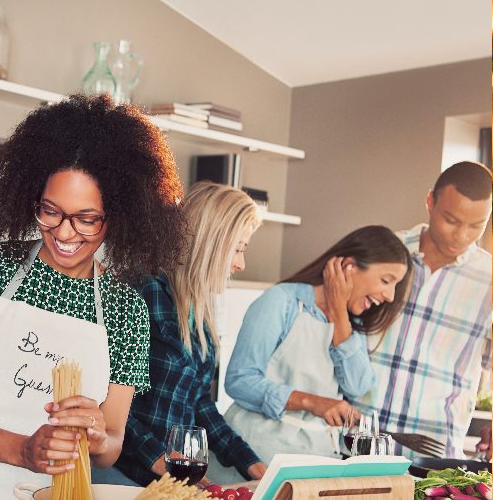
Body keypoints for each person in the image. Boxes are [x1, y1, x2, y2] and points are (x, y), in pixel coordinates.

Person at [0, 94, 184, 500]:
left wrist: (98, 435)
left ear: (118, 217)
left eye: (87, 219)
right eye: (50, 211)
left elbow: (113, 443)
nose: (65, 233)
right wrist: (22, 450)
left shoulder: (125, 310)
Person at [208, 226, 412, 481]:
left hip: (315, 464)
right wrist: (312, 402)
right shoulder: (281, 301)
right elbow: (239, 380)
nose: (390, 296)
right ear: (348, 266)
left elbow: (359, 387)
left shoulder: (349, 326)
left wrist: (339, 313)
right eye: (386, 281)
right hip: (253, 460)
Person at [111, 182, 268, 487]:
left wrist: (250, 462)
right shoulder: (142, 292)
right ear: (209, 243)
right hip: (123, 475)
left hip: (167, 481)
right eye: (237, 249)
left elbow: (200, 404)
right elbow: (110, 405)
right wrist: (162, 462)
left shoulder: (199, 315)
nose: (240, 264)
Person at [355, 162, 492, 459]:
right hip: (356, 441)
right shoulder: (383, 252)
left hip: (435, 455)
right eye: (451, 220)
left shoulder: (489, 280)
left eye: (476, 225)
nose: (462, 236)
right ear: (430, 202)